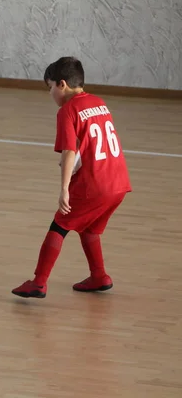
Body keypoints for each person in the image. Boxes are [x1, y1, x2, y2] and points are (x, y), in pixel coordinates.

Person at [12, 56, 132, 299]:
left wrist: (64, 188)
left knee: (60, 224)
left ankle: (39, 282)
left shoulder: (68, 110)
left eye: (50, 88)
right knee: (89, 228)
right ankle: (99, 276)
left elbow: (70, 151)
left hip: (95, 184)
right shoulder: (99, 102)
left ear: (62, 84)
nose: (50, 94)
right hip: (118, 183)